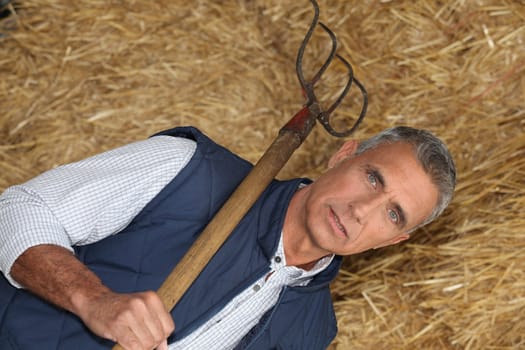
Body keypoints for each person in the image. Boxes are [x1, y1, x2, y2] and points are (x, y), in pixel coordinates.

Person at [0, 125, 456, 350]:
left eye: (393, 214)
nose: (361, 211)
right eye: (373, 178)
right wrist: (92, 300)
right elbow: (16, 211)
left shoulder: (312, 332)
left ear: (394, 241)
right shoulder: (190, 172)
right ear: (344, 154)